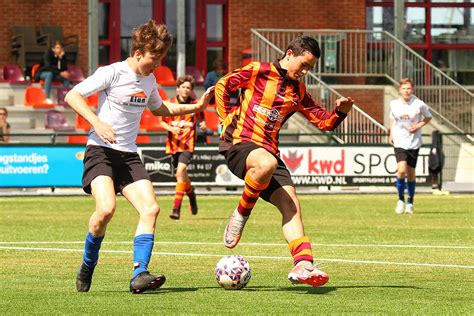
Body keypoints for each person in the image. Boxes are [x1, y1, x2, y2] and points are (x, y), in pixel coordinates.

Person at [64, 20, 213, 294]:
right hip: (100, 151)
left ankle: (139, 274)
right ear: (138, 53)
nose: (157, 64)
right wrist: (97, 123)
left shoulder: (150, 79)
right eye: (154, 58)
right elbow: (73, 95)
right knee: (105, 210)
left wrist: (198, 106)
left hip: (129, 155)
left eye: (160, 58)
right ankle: (87, 265)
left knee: (151, 209)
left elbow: (160, 108)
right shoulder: (112, 72)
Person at [214, 35, 354, 287]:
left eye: (310, 68)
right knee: (265, 164)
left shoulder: (298, 91)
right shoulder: (259, 70)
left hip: (269, 152)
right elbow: (223, 84)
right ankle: (241, 214)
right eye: (303, 64)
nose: (305, 71)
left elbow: (323, 122)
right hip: (239, 144)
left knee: (292, 206)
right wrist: (223, 118)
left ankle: (303, 265)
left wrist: (340, 113)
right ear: (289, 54)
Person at [159, 75, 205, 220]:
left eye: (188, 88)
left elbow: (202, 119)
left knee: (180, 173)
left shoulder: (195, 104)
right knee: (182, 176)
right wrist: (171, 129)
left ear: (191, 90)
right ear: (177, 88)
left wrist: (202, 124)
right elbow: (162, 122)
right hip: (173, 145)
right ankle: (191, 195)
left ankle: (176, 209)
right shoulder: (170, 103)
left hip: (188, 145)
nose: (185, 90)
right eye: (183, 87)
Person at [389, 78, 432, 215]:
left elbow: (428, 117)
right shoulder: (394, 104)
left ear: (412, 90)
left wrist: (418, 125)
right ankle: (400, 200)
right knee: (401, 171)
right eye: (404, 88)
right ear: (400, 90)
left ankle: (410, 202)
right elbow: (393, 120)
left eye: (409, 88)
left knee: (411, 173)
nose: (406, 91)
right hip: (400, 141)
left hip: (413, 142)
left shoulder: (419, 104)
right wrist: (391, 134)